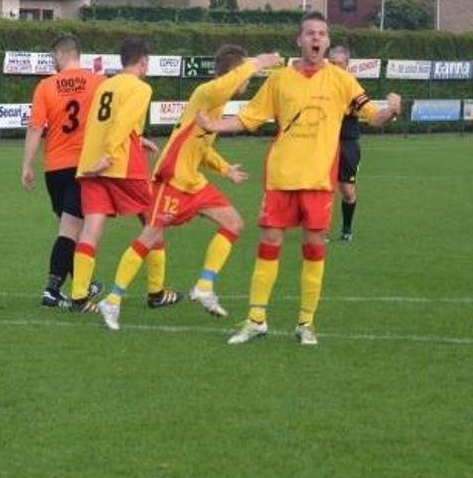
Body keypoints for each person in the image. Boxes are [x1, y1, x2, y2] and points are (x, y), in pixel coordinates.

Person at [197, 12, 401, 345]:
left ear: (328, 41)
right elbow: (249, 118)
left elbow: (373, 116)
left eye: (321, 33)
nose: (316, 38)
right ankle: (256, 319)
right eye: (309, 33)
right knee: (269, 245)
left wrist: (391, 109)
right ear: (299, 40)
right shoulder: (279, 80)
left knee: (314, 247)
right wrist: (214, 125)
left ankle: (305, 323)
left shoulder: (342, 80)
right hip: (280, 177)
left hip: (318, 181)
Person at [93, 46, 282, 330]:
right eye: (243, 73)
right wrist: (256, 63)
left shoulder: (217, 104)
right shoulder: (207, 92)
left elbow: (202, 149)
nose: (248, 80)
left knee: (233, 223)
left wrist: (226, 169)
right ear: (233, 72)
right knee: (150, 236)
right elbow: (227, 82)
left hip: (192, 181)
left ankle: (204, 286)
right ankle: (113, 299)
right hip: (172, 179)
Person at [68, 36, 166, 324]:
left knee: (91, 229)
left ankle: (79, 296)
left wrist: (139, 138)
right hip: (119, 164)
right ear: (143, 62)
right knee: (155, 221)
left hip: (90, 165)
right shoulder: (141, 87)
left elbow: (105, 123)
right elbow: (122, 123)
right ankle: (156, 291)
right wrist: (110, 154)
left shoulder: (105, 85)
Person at [21, 33, 105, 309]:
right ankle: (53, 290)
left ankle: (85, 281)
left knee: (69, 228)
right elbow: (110, 122)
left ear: (60, 55)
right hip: (84, 168)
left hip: (54, 169)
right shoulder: (97, 82)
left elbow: (35, 128)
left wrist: (27, 165)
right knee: (71, 229)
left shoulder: (46, 86)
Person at [327, 45, 360, 242]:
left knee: (347, 191)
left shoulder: (353, 86)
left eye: (339, 64)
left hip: (347, 142)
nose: (336, 67)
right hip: (325, 143)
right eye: (332, 64)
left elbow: (357, 110)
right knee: (324, 189)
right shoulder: (320, 84)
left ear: (347, 65)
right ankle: (321, 230)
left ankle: (347, 228)